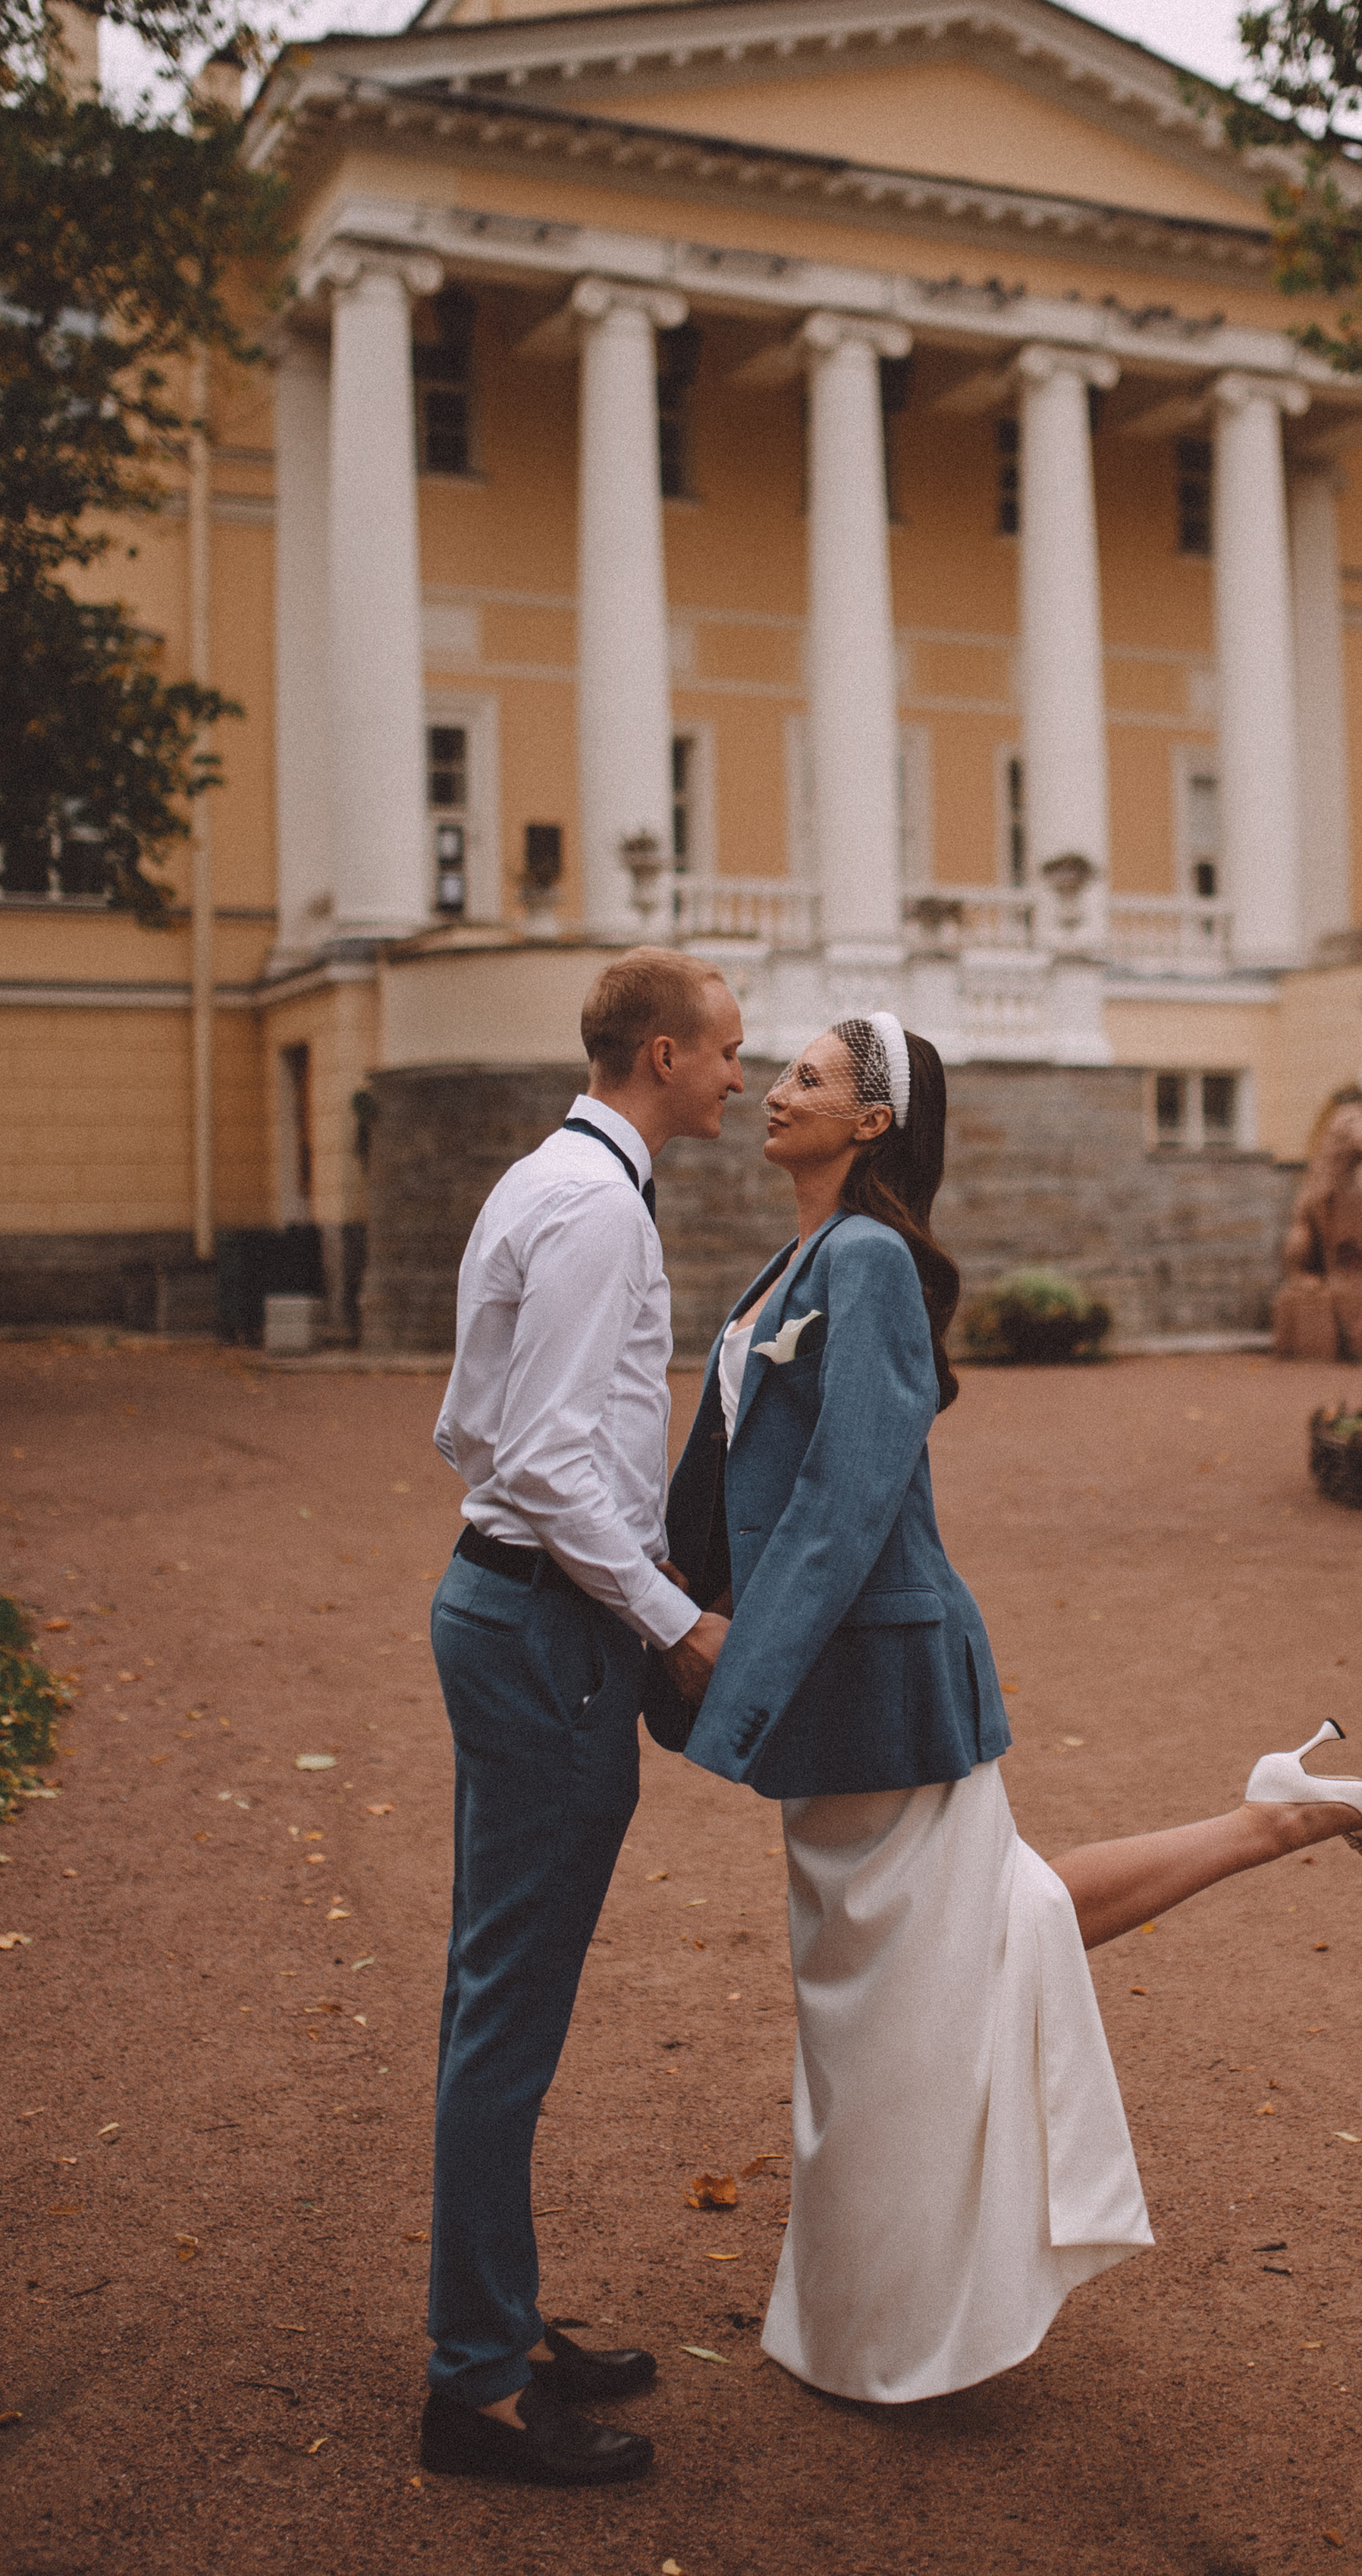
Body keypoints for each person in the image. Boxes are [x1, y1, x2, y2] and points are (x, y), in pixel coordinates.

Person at [664, 1013, 1362, 2405]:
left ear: (872, 1123)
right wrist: (659, 1613)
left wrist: (732, 1680)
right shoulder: (800, 1257)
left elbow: (847, 1496)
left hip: (880, 1678)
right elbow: (729, 1475)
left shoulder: (867, 1260)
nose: (775, 1089)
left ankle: (896, 2330)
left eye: (810, 1076)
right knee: (966, 1945)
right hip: (835, 1685)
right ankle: (1275, 1814)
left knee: (911, 2004)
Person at [419, 947, 742, 2485]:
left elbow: (474, 1425)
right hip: (544, 1631)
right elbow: (538, 1457)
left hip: (513, 1611)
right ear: (663, 1056)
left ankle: (497, 2313)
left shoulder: (542, 1175)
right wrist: (670, 1619)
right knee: (507, 2012)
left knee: (495, 1998)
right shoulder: (599, 1204)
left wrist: (621, 1541)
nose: (741, 1078)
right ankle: (474, 2387)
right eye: (730, 1054)